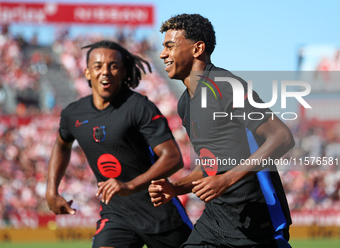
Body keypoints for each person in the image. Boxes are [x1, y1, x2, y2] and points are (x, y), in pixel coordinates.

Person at [149, 14, 295, 248]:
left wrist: (226, 180)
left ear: (198, 48)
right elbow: (211, 164)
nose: (162, 54)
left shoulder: (227, 86)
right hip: (215, 221)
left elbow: (282, 137)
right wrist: (176, 187)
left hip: (255, 221)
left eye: (170, 46)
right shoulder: (185, 103)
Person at [46, 40, 192, 248]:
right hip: (116, 215)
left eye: (113, 66)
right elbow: (62, 145)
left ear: (124, 72)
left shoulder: (139, 107)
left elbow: (173, 157)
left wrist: (130, 185)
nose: (105, 72)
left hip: (160, 212)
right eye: (98, 66)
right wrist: (51, 191)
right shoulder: (73, 114)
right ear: (87, 73)